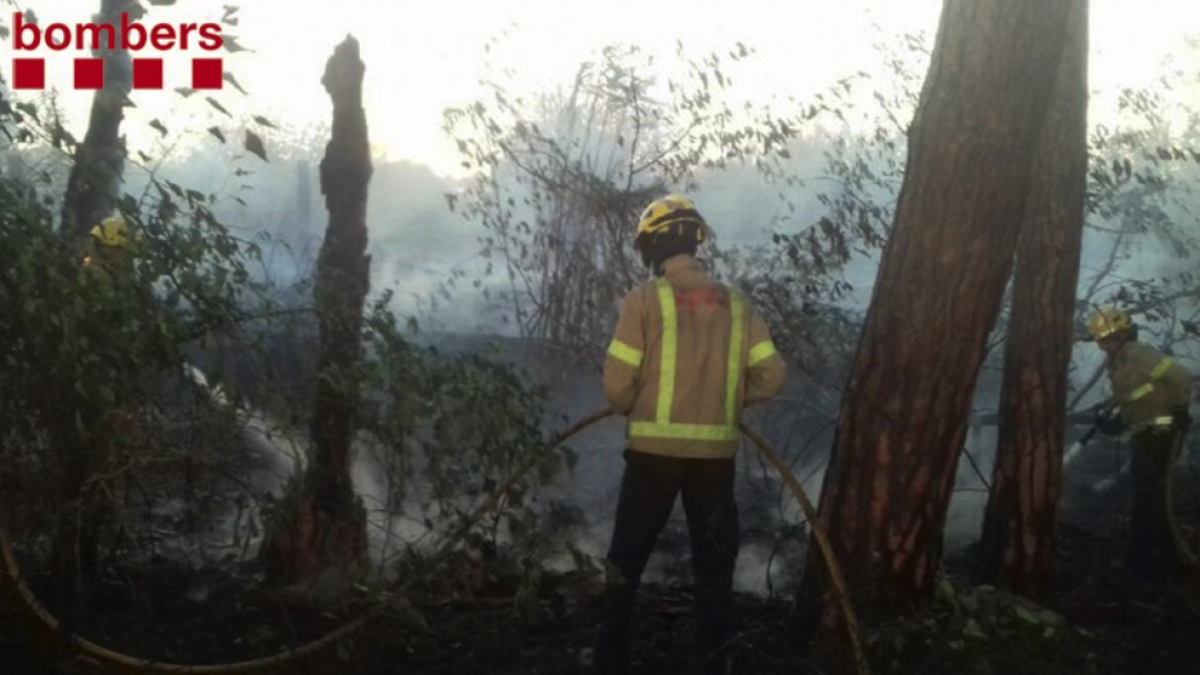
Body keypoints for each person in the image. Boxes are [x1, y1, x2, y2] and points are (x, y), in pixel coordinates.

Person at [593, 194, 787, 675]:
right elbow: (772, 376)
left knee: (627, 561)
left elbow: (618, 388)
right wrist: (731, 401)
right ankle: (715, 662)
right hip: (715, 458)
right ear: (694, 242)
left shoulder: (642, 303)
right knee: (715, 565)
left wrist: (629, 405)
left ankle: (610, 660)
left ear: (654, 246)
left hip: (652, 457)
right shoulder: (736, 305)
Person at [1085, 306, 1195, 577]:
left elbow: (1180, 377)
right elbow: (1137, 400)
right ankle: (1166, 555)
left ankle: (1141, 563)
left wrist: (1181, 410)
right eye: (1102, 343)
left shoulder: (1139, 354)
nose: (1103, 348)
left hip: (1161, 436)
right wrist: (1116, 424)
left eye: (1107, 342)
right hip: (1144, 434)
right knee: (1150, 497)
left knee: (1148, 498)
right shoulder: (1119, 363)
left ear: (1122, 336)